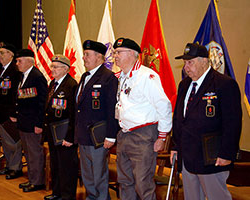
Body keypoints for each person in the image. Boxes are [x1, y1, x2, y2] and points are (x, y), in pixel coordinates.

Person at [171, 43, 242, 200]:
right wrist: (176, 146)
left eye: (190, 62)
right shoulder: (184, 85)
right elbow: (179, 118)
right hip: (188, 155)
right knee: (192, 197)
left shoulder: (224, 84)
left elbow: (233, 123)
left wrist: (226, 153)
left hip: (212, 156)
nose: (186, 68)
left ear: (204, 61)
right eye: (184, 63)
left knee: (217, 196)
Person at [113, 37, 172, 200]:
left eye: (119, 52)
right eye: (115, 53)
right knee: (124, 181)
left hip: (143, 135)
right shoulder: (120, 77)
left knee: (142, 183)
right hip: (124, 134)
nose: (115, 56)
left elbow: (164, 105)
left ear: (132, 54)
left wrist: (162, 136)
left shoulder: (147, 76)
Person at [75, 40, 119, 200]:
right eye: (84, 54)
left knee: (99, 173)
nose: (83, 57)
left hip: (99, 136)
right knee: (87, 173)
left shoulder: (108, 78)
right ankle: (92, 197)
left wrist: (110, 135)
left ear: (99, 57)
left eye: (87, 54)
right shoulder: (85, 76)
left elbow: (111, 109)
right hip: (84, 134)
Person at [11, 49, 47, 192]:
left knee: (34, 154)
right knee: (28, 153)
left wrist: (39, 123)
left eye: (20, 61)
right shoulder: (23, 76)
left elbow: (42, 102)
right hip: (24, 122)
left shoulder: (37, 77)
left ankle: (38, 181)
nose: (17, 63)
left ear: (29, 61)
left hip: (33, 124)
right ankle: (32, 179)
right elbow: (20, 98)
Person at [43, 55, 78, 200]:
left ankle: (67, 195)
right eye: (52, 66)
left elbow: (73, 114)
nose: (52, 69)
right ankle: (56, 193)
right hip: (53, 131)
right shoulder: (53, 83)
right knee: (56, 164)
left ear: (65, 69)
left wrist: (70, 136)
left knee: (67, 167)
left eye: (56, 67)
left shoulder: (71, 85)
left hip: (65, 133)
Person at [0, 42, 23, 179]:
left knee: (14, 143)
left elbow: (15, 94)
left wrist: (13, 113)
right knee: (6, 143)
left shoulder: (15, 71)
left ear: (11, 55)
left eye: (2, 53)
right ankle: (9, 166)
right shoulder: (3, 70)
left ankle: (15, 168)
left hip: (9, 114)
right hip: (1, 114)